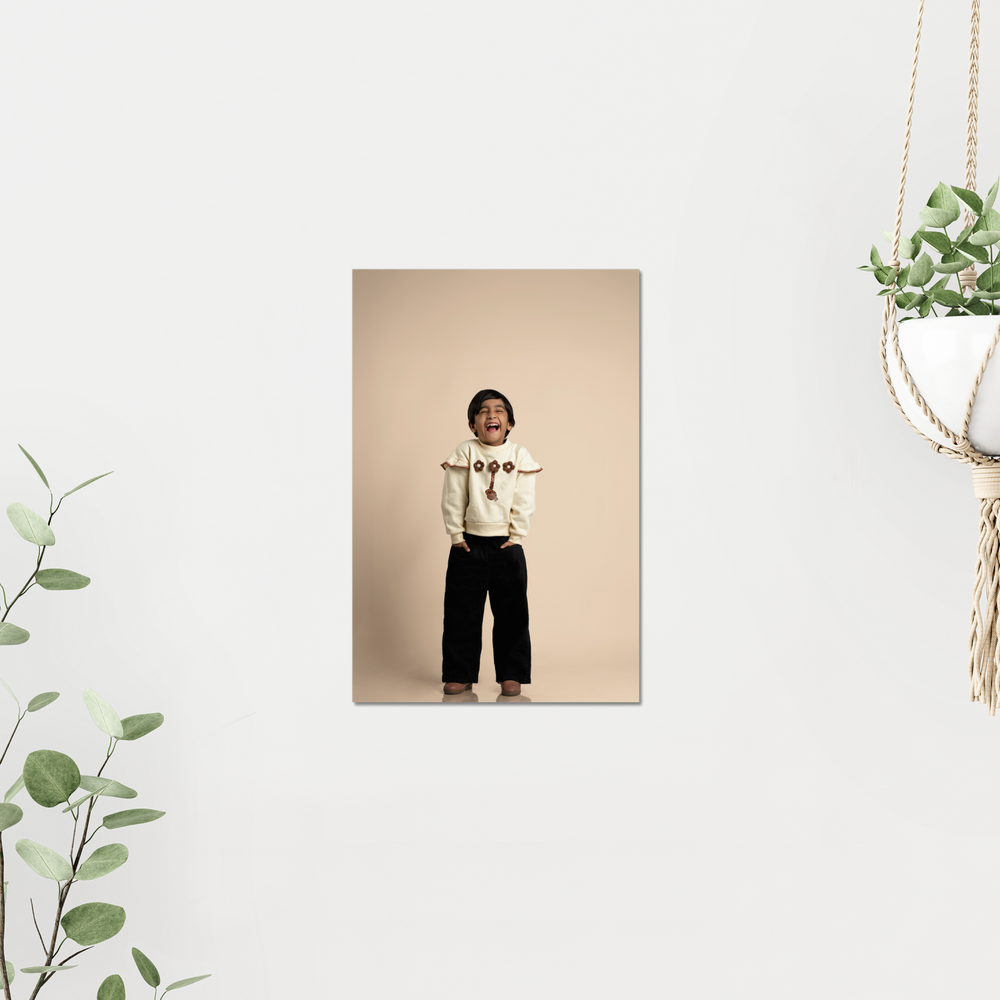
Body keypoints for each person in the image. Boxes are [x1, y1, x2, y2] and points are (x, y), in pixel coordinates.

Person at [439, 390, 542, 697]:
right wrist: (456, 535)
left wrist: (516, 536)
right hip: (467, 546)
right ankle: (460, 673)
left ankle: (511, 673)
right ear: (473, 424)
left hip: (506, 548)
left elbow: (524, 499)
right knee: (461, 613)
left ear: (509, 423)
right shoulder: (466, 451)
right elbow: (453, 495)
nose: (491, 415)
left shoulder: (519, 455)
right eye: (483, 411)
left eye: (499, 410)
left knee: (512, 614)